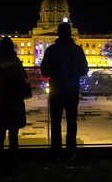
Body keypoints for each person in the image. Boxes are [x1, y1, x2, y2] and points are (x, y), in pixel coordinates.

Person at [40, 22, 89, 161]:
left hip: (56, 92)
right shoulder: (77, 50)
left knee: (56, 124)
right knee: (72, 123)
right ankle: (71, 153)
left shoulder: (51, 50)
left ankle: (56, 153)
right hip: (72, 91)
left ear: (58, 34)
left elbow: (44, 71)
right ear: (70, 33)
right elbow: (84, 71)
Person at [0, 36, 27, 174]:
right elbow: (24, 79)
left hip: (0, 99)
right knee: (13, 136)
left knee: (0, 135)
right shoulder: (16, 62)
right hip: (14, 100)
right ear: (11, 48)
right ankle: (13, 165)